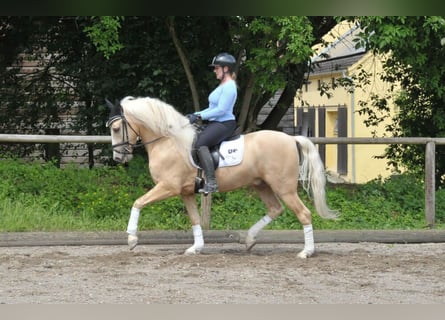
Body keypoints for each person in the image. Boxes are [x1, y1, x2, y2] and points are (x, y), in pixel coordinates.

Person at [186, 52, 238, 194]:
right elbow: (212, 108)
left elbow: (221, 110)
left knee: (200, 144)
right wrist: (195, 115)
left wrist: (199, 116)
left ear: (225, 69)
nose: (214, 70)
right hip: (216, 123)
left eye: (216, 68)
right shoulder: (222, 86)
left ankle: (212, 183)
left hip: (224, 123)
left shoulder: (229, 87)